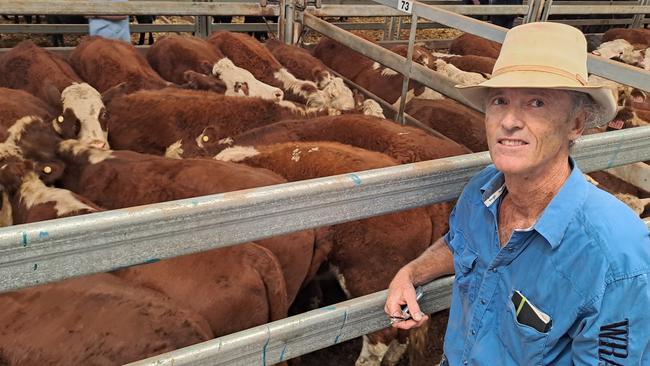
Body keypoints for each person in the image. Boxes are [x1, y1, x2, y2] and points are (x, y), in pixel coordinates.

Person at [384, 22, 650, 365]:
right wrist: (410, 274)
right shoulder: (483, 190)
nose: (509, 121)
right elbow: (459, 244)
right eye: (499, 100)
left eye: (536, 102)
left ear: (576, 124)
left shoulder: (616, 259)